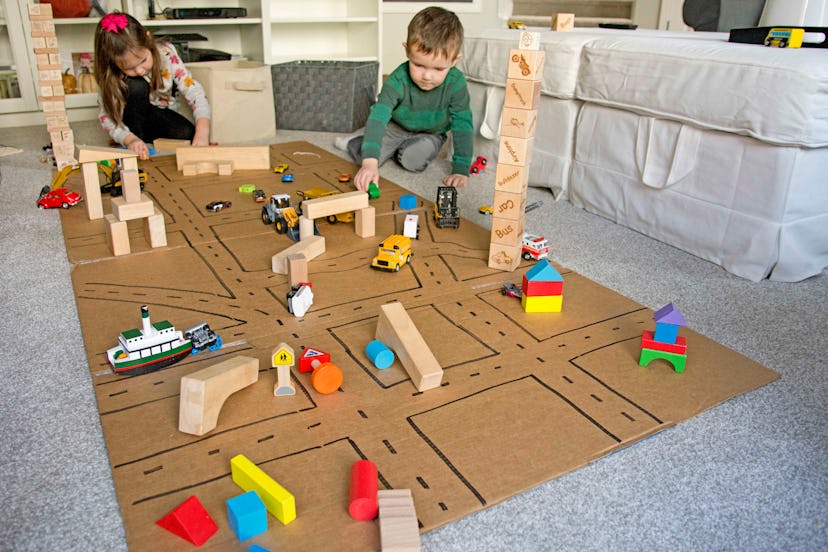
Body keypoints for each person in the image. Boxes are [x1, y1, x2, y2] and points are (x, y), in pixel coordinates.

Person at [341, 6, 473, 191]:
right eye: (418, 65)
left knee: (413, 161)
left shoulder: (456, 83)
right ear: (407, 50)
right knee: (368, 155)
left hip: (431, 133)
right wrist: (369, 162)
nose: (427, 76)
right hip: (396, 127)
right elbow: (379, 116)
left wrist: (461, 168)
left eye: (438, 69)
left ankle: (398, 151)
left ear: (454, 60)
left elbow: (462, 123)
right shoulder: (397, 79)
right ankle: (355, 142)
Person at [94, 12, 210, 159]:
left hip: (156, 114)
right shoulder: (111, 75)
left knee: (187, 134)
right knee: (136, 85)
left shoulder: (166, 53)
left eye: (143, 60)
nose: (140, 70)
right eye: (129, 68)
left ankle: (144, 139)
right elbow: (107, 118)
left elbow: (194, 91)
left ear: (148, 39)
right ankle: (135, 140)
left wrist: (202, 131)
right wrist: (128, 139)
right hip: (130, 118)